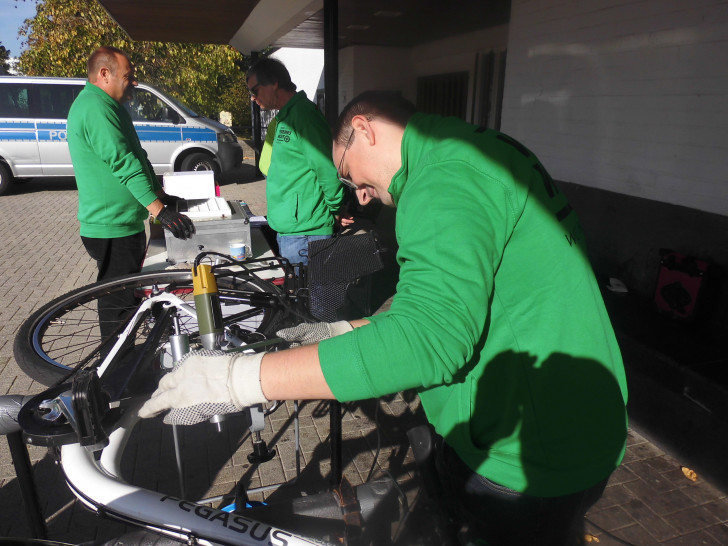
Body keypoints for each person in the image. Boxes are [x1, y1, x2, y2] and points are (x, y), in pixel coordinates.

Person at [139, 91, 628, 545]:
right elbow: (449, 303)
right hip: (568, 425)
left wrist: (236, 378)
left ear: (364, 129)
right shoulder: (474, 153)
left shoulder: (442, 180)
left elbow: (428, 341)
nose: (361, 194)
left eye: (349, 174)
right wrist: (343, 330)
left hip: (526, 455)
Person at [67, 46, 195, 337]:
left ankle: (125, 361)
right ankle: (116, 373)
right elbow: (123, 163)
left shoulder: (109, 106)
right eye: (128, 75)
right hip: (111, 227)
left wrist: (159, 197)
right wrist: (159, 212)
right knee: (118, 305)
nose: (134, 82)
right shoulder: (95, 108)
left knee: (129, 298)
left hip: (123, 223)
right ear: (104, 74)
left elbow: (137, 156)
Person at [245, 57, 351, 265]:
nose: (252, 98)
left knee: (310, 296)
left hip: (306, 233)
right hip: (292, 228)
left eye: (254, 91)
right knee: (300, 294)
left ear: (274, 83)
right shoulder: (285, 118)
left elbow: (327, 169)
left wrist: (336, 209)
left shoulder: (303, 116)